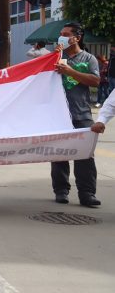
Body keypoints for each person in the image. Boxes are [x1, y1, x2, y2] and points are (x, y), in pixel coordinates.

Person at [51, 22, 100, 207]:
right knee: (59, 154)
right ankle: (61, 190)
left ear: (76, 38)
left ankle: (87, 194)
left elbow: (95, 81)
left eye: (65, 34)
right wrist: (53, 58)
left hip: (82, 114)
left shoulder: (88, 59)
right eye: (60, 34)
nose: (61, 37)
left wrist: (70, 71)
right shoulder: (56, 57)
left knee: (85, 156)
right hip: (58, 115)